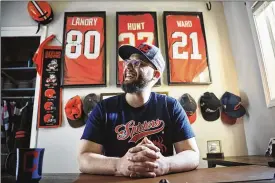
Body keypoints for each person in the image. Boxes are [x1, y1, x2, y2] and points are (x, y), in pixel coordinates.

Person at [78, 43, 200, 178]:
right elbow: (84, 159)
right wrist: (119, 165)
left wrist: (166, 164)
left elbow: (192, 155)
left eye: (137, 63)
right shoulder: (104, 109)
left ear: (156, 74)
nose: (128, 67)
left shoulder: (170, 106)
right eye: (127, 62)